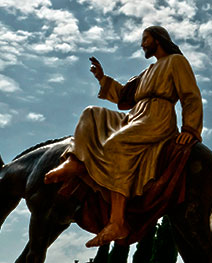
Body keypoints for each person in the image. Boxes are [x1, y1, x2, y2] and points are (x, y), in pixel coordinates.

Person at [45, 26, 202, 247]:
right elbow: (124, 96)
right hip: (134, 115)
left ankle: (117, 221)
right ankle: (76, 161)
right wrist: (102, 78)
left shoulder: (176, 62)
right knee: (91, 113)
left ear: (158, 40)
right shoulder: (148, 71)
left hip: (157, 119)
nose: (142, 44)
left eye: (145, 39)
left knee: (116, 144)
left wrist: (190, 129)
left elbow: (190, 95)